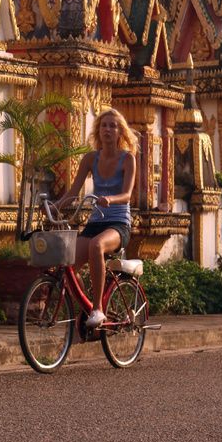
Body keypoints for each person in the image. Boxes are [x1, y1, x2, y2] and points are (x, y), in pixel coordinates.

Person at [57, 107, 137, 328]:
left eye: (113, 126)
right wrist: (53, 207)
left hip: (118, 224)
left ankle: (98, 310)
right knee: (67, 268)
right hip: (95, 222)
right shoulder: (90, 159)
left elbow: (128, 194)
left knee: (96, 245)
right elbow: (73, 193)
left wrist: (111, 199)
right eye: (104, 125)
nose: (108, 129)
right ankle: (86, 309)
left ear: (120, 131)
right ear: (98, 131)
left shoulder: (128, 159)